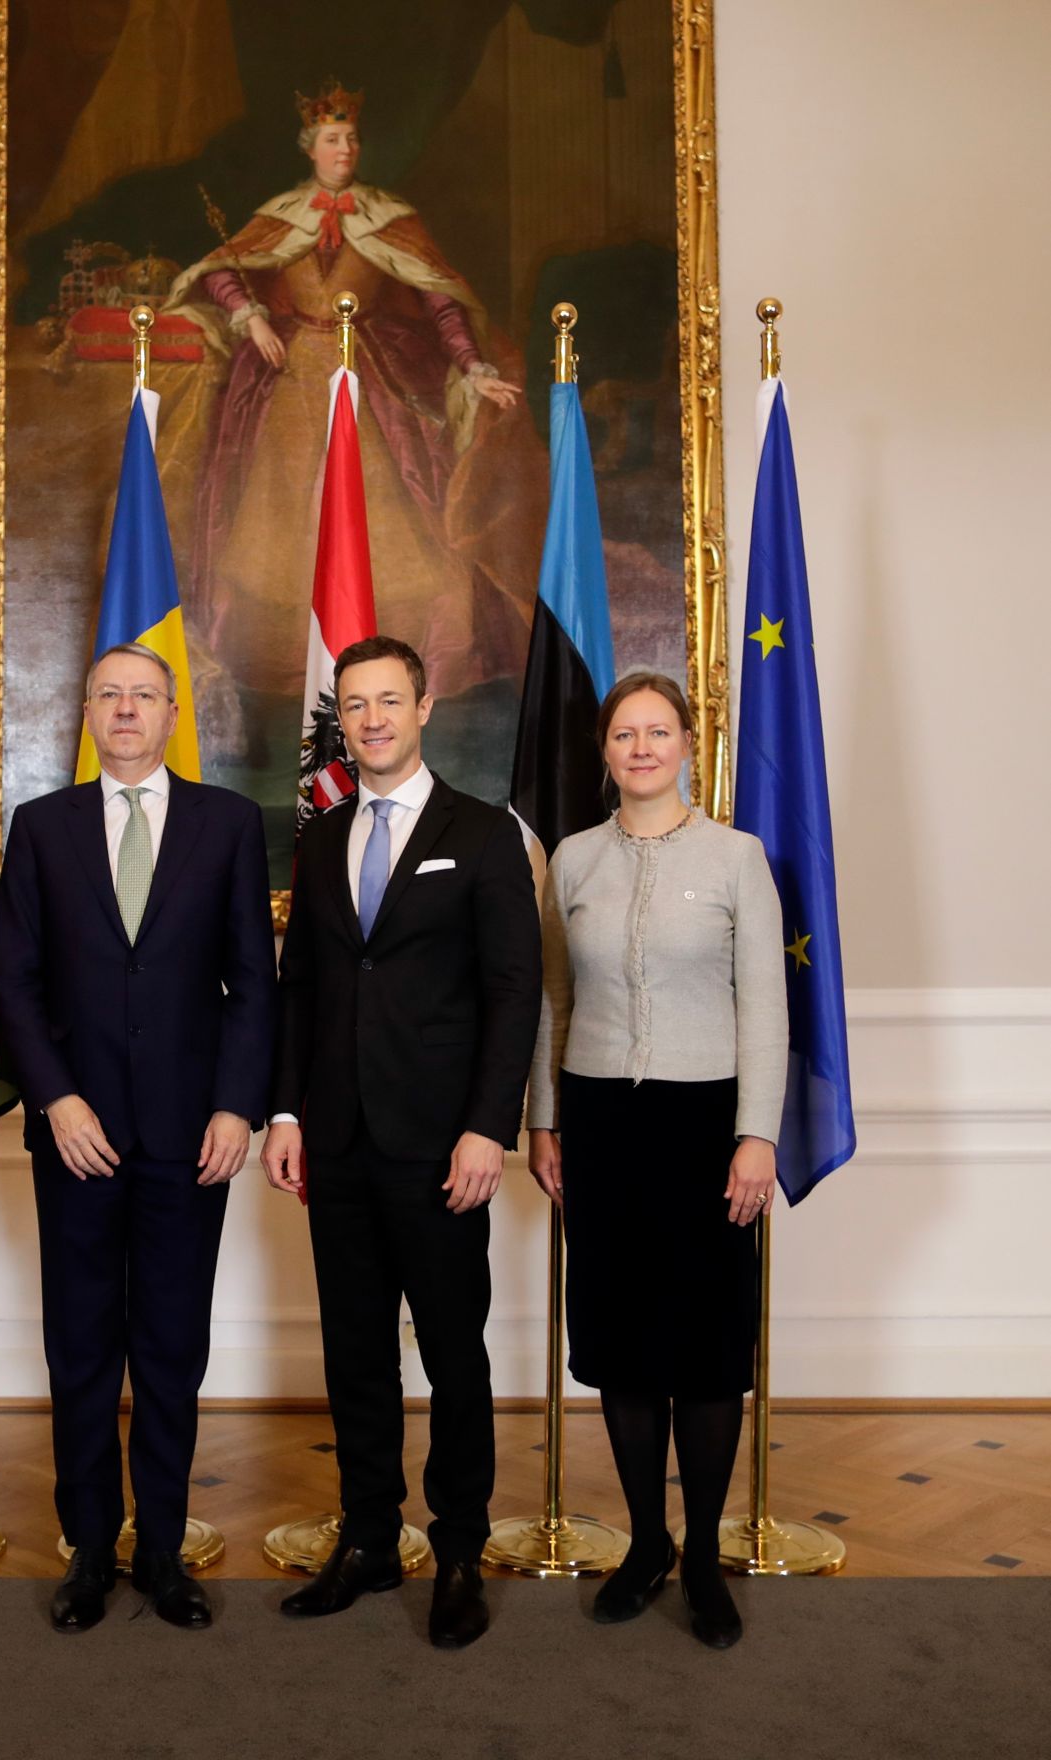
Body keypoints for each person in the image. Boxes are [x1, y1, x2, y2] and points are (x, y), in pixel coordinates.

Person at [262, 635, 540, 1649]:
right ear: (341, 719)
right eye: (355, 705)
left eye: (390, 700)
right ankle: (370, 1535)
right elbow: (304, 991)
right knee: (355, 1351)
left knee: (456, 1352)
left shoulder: (483, 831)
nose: (372, 719)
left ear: (426, 707)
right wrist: (286, 1112)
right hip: (335, 1142)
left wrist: (485, 1128)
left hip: (440, 1148)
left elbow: (515, 991)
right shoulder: (324, 833)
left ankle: (458, 1546)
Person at [0, 642, 275, 1633]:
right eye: (108, 694)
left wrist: (239, 1105)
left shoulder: (228, 824)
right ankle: (87, 1547)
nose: (124, 709)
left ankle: (161, 1547)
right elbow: (12, 983)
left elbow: (254, 982)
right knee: (80, 1347)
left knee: (168, 1345)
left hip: (190, 1136)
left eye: (142, 695)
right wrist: (56, 1098)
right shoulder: (40, 826)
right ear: (85, 711)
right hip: (76, 1134)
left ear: (170, 713)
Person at [526, 672, 788, 1650]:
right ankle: (644, 1543)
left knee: (710, 1346)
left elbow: (766, 1003)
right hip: (599, 1126)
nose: (641, 746)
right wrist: (544, 1120)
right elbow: (553, 1001)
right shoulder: (573, 858)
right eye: (625, 732)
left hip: (707, 1126)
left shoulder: (737, 858)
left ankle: (704, 1552)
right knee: (623, 1342)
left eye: (658, 730)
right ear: (605, 748)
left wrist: (757, 1131)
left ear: (687, 739)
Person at [162, 83, 545, 709]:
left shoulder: (388, 216)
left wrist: (472, 365)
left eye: (352, 140)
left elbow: (439, 297)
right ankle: (295, 663)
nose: (346, 150)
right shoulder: (282, 213)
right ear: (311, 148)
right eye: (334, 140)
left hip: (369, 382)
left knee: (387, 512)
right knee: (281, 521)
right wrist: (250, 318)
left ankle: (392, 661)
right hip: (290, 387)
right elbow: (222, 269)